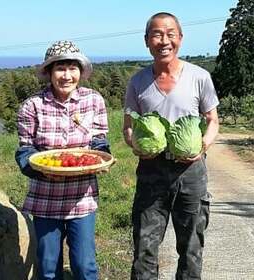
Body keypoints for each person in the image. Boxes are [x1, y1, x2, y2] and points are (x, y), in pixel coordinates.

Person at [123, 12, 219, 280]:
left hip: (191, 172)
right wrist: (135, 143)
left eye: (170, 34)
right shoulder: (138, 82)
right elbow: (128, 126)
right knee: (144, 247)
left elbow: (212, 121)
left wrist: (203, 145)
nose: (163, 40)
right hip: (151, 170)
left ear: (180, 38)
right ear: (146, 41)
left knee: (191, 247)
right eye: (156, 34)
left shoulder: (199, 77)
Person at [15, 40, 110, 280]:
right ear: (49, 72)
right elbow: (25, 151)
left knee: (84, 265)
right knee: (47, 267)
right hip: (45, 197)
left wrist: (102, 159)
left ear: (80, 71)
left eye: (72, 68)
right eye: (60, 68)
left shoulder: (93, 100)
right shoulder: (32, 106)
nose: (66, 75)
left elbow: (99, 140)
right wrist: (40, 171)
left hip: (82, 196)